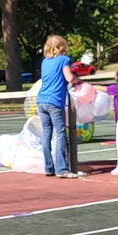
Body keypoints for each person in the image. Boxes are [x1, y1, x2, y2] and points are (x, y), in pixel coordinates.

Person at [37, 34, 78, 178]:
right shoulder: (63, 60)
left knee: (47, 134)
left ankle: (49, 167)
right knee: (60, 133)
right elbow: (69, 78)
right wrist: (77, 80)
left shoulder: (44, 62)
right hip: (55, 101)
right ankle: (62, 169)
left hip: (41, 101)